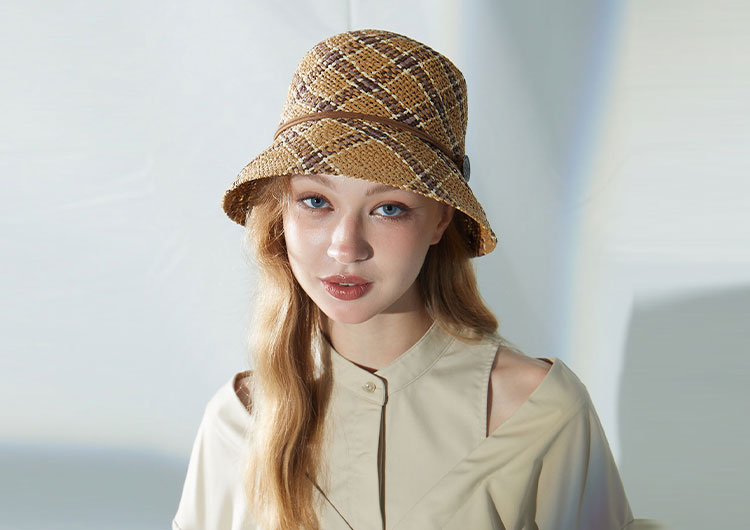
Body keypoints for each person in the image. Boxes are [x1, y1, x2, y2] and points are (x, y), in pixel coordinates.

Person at [173, 29, 635, 530]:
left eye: (388, 208)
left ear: (440, 220)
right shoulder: (237, 421)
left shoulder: (539, 412)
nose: (346, 246)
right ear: (281, 212)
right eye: (316, 202)